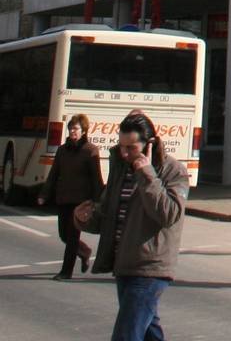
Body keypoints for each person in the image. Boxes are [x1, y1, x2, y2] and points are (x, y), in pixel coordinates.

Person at [74, 110, 187, 341]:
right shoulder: (121, 169)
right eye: (121, 146)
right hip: (124, 264)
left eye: (131, 148)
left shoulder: (172, 171)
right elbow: (108, 215)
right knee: (148, 332)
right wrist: (84, 218)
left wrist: (146, 173)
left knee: (126, 335)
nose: (124, 153)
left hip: (149, 267)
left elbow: (169, 214)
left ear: (150, 144)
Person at [38, 113, 102, 280]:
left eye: (76, 128)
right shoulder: (62, 150)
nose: (72, 131)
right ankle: (84, 252)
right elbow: (53, 174)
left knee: (72, 237)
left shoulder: (90, 151)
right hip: (63, 198)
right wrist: (44, 194)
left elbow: (97, 178)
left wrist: (97, 201)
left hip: (80, 202)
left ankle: (66, 272)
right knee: (63, 235)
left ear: (83, 131)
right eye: (71, 128)